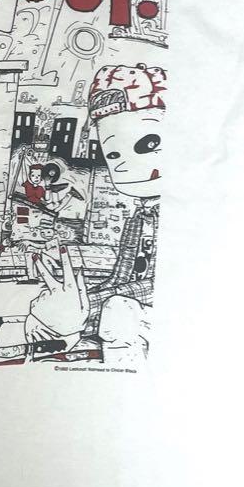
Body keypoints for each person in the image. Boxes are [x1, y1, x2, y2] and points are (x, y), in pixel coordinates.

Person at [85, 63, 168, 357]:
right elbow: (120, 278)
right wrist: (87, 298)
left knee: (116, 313)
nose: (122, 164)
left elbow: (161, 286)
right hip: (133, 313)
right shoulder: (138, 219)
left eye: (149, 143)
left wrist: (92, 304)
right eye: (112, 153)